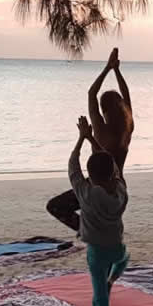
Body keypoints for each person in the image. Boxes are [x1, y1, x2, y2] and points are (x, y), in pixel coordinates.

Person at [48, 49, 133, 232]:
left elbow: (91, 94)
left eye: (102, 110)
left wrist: (107, 68)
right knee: (109, 223)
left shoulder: (102, 131)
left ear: (106, 111)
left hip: (98, 187)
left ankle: (86, 230)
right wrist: (116, 70)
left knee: (55, 207)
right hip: (119, 186)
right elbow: (126, 95)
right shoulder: (127, 127)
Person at [69, 116, 129, 306]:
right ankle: (113, 278)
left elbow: (73, 166)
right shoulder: (122, 190)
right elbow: (111, 163)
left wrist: (81, 138)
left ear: (90, 176)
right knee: (124, 257)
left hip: (97, 253)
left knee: (99, 302)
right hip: (116, 248)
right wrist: (92, 139)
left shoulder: (87, 194)